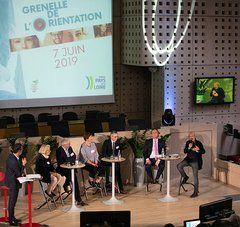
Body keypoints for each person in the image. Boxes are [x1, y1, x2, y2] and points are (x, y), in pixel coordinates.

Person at [56, 138, 87, 206]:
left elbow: (74, 156)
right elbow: (61, 162)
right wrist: (69, 159)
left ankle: (78, 199)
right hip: (63, 170)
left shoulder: (70, 148)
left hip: (71, 168)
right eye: (68, 144)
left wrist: (69, 160)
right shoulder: (59, 150)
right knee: (73, 181)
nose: (69, 145)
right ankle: (78, 198)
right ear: (64, 145)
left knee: (75, 182)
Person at [177, 132, 205, 198]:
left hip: (195, 161)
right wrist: (189, 148)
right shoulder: (188, 142)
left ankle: (195, 192)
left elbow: (203, 151)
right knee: (179, 166)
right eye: (190, 136)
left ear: (195, 136)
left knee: (195, 176)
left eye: (192, 136)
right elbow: (185, 151)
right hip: (187, 160)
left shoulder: (199, 143)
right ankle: (185, 177)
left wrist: (198, 150)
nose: (191, 137)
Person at [5, 143, 27, 226]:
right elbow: (19, 173)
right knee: (12, 201)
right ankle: (11, 220)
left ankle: (12, 217)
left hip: (13, 181)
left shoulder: (13, 157)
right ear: (18, 150)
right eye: (21, 149)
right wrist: (24, 165)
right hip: (12, 183)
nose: (22, 151)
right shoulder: (13, 160)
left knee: (13, 201)